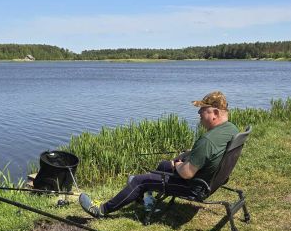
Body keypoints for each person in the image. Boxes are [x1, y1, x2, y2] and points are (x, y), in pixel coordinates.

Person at [78, 91, 240, 218]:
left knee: (140, 180)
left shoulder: (208, 140)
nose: (198, 114)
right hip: (210, 180)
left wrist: (178, 164)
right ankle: (145, 199)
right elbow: (210, 152)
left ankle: (102, 209)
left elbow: (186, 173)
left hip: (195, 188)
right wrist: (188, 154)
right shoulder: (230, 129)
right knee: (163, 165)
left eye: (202, 110)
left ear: (215, 113)